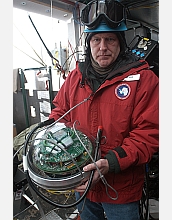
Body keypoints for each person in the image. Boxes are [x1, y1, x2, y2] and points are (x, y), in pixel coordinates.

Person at [49, 0, 159, 219]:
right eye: (96, 40)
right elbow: (60, 114)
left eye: (110, 39)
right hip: (83, 185)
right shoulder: (75, 77)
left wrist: (110, 163)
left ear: (121, 43)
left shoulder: (144, 80)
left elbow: (148, 133)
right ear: (88, 44)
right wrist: (48, 135)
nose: (102, 47)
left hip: (121, 190)